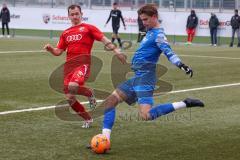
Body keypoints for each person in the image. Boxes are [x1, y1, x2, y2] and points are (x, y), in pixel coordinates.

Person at [95, 4, 204, 145]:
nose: (143, 23)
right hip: (138, 76)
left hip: (146, 78)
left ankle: (185, 103)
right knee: (110, 101)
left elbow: (168, 52)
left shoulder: (159, 34)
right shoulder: (150, 31)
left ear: (154, 17)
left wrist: (181, 65)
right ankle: (105, 140)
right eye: (142, 20)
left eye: (146, 19)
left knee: (146, 115)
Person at [44, 4, 126, 128]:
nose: (75, 16)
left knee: (73, 86)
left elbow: (105, 40)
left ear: (82, 14)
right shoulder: (65, 33)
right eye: (72, 14)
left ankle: (88, 93)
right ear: (68, 16)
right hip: (68, 67)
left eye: (77, 14)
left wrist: (117, 51)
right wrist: (51, 49)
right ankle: (87, 118)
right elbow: (58, 52)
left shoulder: (88, 28)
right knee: (70, 98)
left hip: (83, 65)